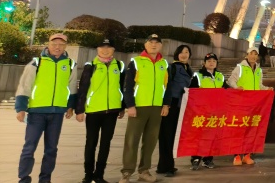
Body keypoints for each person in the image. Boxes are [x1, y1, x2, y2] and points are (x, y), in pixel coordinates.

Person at [15, 33, 78, 183]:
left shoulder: (71, 64)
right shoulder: (36, 63)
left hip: (57, 113)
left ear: (65, 46)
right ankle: (24, 178)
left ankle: (45, 179)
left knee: (51, 149)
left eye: (61, 44)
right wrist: (21, 108)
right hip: (36, 112)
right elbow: (25, 86)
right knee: (29, 147)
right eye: (54, 44)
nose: (57, 47)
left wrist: (70, 106)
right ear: (48, 44)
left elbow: (72, 87)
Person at [120, 34, 170, 183]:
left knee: (150, 141)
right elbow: (128, 85)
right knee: (132, 140)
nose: (154, 45)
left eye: (157, 43)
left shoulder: (164, 64)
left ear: (161, 46)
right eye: (151, 42)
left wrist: (166, 104)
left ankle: (144, 170)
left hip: (156, 107)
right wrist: (130, 105)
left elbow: (167, 86)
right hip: (139, 107)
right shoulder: (136, 62)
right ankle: (127, 172)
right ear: (145, 45)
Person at [75, 38, 125, 183]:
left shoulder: (119, 65)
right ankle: (88, 174)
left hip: (112, 111)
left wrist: (122, 107)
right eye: (102, 47)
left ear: (113, 50)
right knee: (91, 143)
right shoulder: (91, 66)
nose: (105, 50)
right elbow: (83, 88)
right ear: (97, 49)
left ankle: (99, 174)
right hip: (94, 111)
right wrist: (80, 110)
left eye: (109, 47)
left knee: (105, 144)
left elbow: (122, 87)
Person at [228, 48, 273, 166]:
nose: (253, 56)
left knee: (251, 130)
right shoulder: (240, 68)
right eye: (251, 54)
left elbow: (259, 85)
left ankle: (247, 155)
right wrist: (236, 87)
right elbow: (231, 80)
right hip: (241, 103)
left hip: (254, 105)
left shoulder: (259, 70)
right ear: (246, 55)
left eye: (255, 54)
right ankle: (237, 155)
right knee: (239, 129)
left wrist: (267, 89)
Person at [189, 53, 230, 170]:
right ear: (204, 63)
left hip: (215, 112)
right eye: (209, 61)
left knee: (212, 136)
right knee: (199, 135)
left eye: (214, 61)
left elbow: (227, 90)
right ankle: (196, 158)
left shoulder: (220, 76)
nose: (211, 63)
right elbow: (192, 92)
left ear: (216, 63)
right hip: (201, 111)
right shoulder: (198, 76)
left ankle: (208, 159)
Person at [157, 44, 193, 177]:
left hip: (180, 105)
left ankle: (163, 166)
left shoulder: (188, 69)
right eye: (181, 52)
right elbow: (167, 86)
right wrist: (165, 104)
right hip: (171, 104)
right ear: (177, 54)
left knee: (171, 136)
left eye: (187, 52)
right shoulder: (172, 67)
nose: (184, 54)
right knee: (167, 135)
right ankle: (168, 167)